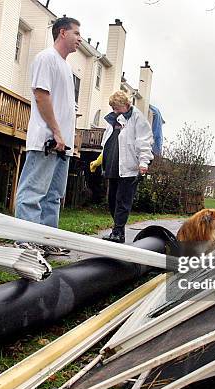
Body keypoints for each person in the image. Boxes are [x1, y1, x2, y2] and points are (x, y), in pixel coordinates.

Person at [15, 17, 81, 229]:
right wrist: (56, 133)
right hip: (47, 140)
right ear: (63, 32)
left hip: (63, 145)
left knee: (53, 197)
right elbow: (41, 96)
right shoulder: (46, 58)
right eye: (76, 33)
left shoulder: (66, 68)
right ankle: (26, 241)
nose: (80, 38)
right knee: (32, 194)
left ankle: (47, 240)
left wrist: (67, 139)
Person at [93, 91, 154, 243]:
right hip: (114, 165)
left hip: (129, 167)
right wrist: (100, 160)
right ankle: (118, 229)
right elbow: (107, 140)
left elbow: (144, 141)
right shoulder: (114, 119)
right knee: (112, 199)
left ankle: (118, 232)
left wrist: (143, 163)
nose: (114, 110)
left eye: (116, 107)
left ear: (126, 105)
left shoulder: (137, 118)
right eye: (112, 107)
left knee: (123, 200)